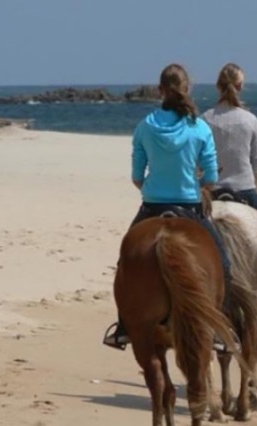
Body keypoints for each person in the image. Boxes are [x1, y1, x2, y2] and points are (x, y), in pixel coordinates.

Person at [103, 63, 231, 350]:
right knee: (223, 263)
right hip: (190, 207)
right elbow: (210, 177)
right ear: (188, 89)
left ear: (160, 90)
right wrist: (195, 182)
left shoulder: (145, 126)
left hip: (151, 207)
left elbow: (137, 176)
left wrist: (153, 184)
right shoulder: (199, 127)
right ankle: (221, 328)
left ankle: (124, 326)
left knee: (126, 265)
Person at [201, 63, 257, 302]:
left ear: (218, 86)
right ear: (240, 86)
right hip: (245, 189)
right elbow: (255, 160)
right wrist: (245, 177)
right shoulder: (250, 120)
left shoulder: (205, 119)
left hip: (213, 191)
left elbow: (199, 158)